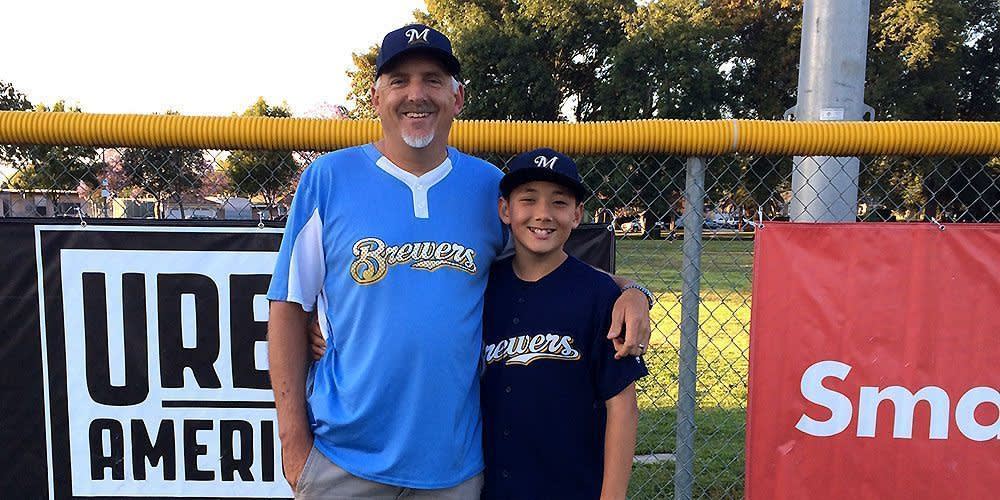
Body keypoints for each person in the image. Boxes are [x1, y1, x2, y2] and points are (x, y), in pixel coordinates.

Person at [267, 23, 653, 499]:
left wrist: (633, 290)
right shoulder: (328, 178)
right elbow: (288, 306)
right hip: (344, 456)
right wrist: (292, 442)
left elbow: (548, 271)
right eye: (399, 80)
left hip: (454, 466)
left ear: (458, 97)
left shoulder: (487, 187)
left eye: (432, 79)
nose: (416, 94)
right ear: (375, 96)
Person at [480, 148, 647, 499]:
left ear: (577, 214)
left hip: (573, 486)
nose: (543, 214)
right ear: (505, 210)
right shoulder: (483, 287)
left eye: (559, 203)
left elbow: (622, 406)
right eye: (528, 200)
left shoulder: (600, 295)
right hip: (492, 486)